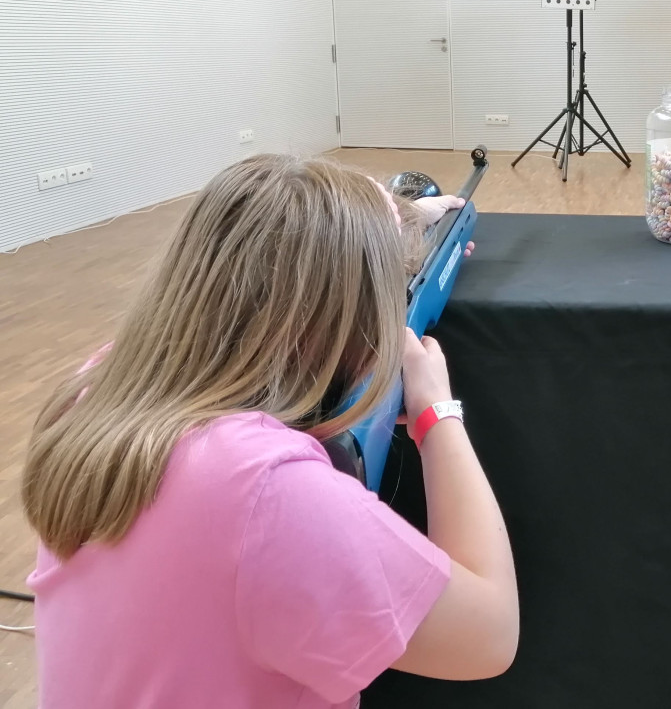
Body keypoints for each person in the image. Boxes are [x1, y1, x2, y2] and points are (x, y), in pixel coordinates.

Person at [22, 154, 518, 709]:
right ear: (353, 330)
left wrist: (399, 224)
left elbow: (281, 240)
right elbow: (490, 634)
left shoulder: (101, 385)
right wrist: (435, 413)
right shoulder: (268, 490)